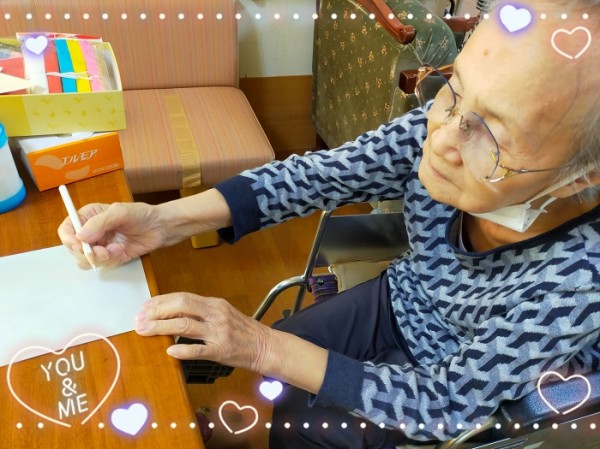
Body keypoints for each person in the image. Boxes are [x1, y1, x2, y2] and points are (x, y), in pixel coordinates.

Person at [58, 1, 599, 447]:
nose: (440, 139)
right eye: (453, 88)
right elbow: (319, 176)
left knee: (302, 408)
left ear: (582, 176)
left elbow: (446, 404)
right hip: (404, 298)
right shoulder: (445, 125)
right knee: (282, 367)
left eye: (494, 136)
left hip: (454, 384)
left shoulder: (581, 279)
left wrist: (259, 345)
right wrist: (162, 219)